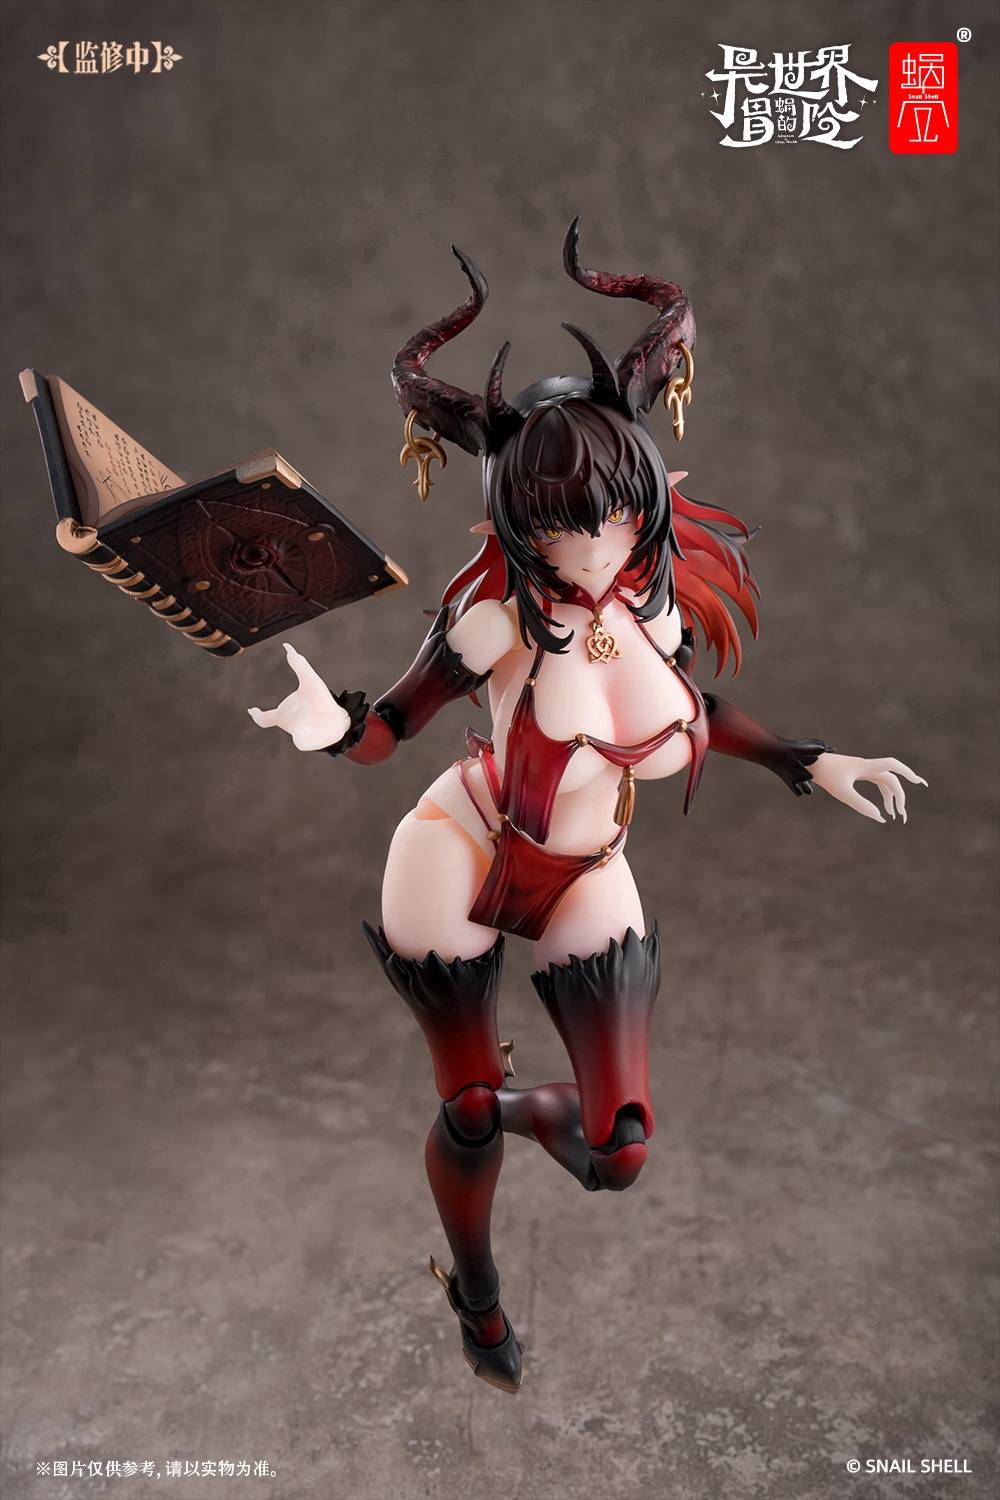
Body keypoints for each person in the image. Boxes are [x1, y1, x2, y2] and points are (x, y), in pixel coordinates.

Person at [248, 222, 926, 1393]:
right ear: (518, 516)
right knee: (463, 1104)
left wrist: (813, 761)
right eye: (560, 522)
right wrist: (327, 724)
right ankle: (475, 1290)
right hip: (462, 848)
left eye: (609, 512)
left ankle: (487, 1109)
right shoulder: (492, 617)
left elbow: (693, 716)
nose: (591, 542)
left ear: (640, 495)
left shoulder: (653, 605)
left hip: (586, 868)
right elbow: (388, 730)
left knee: (618, 1150)